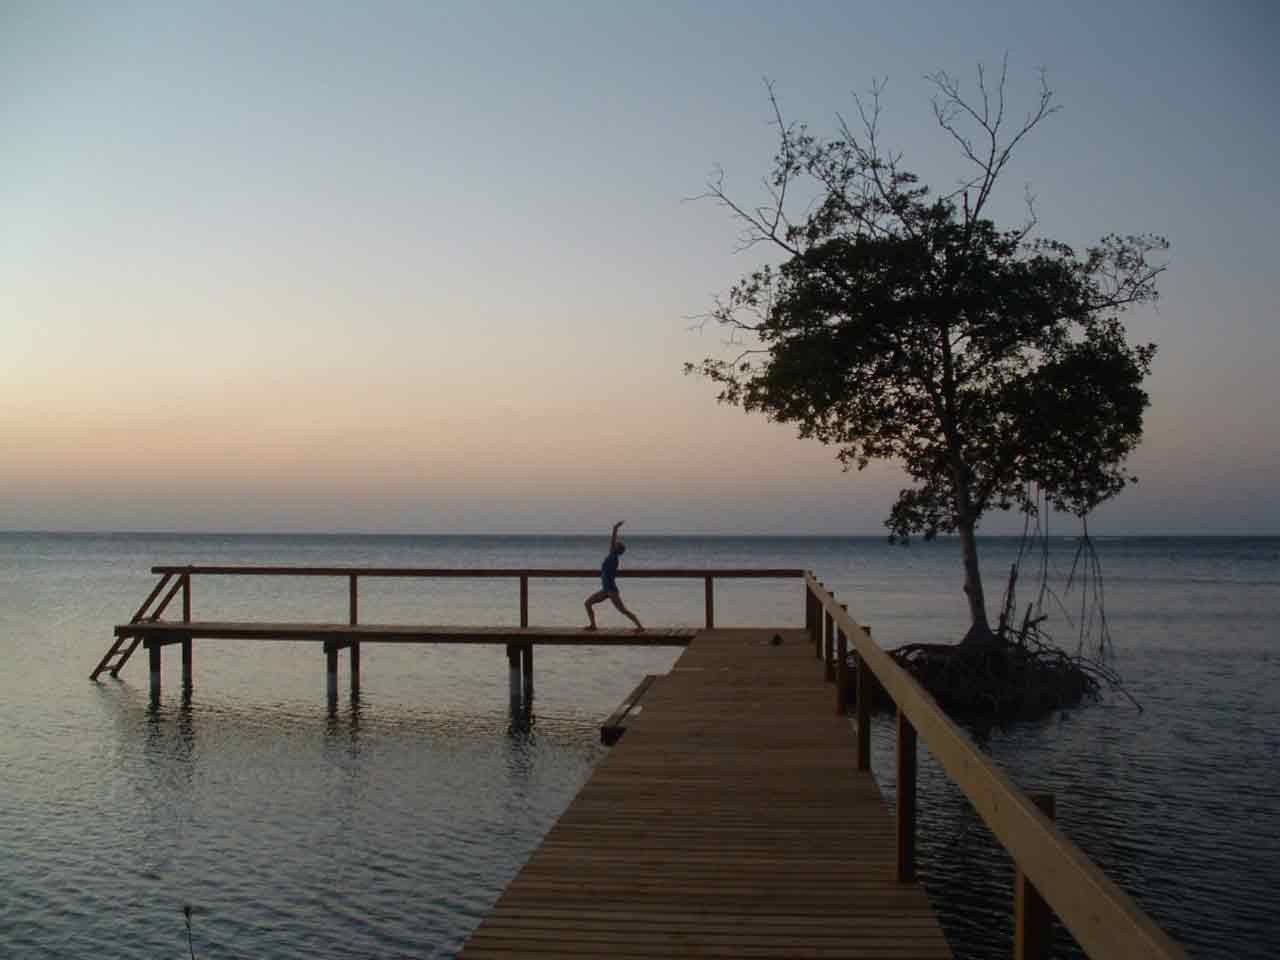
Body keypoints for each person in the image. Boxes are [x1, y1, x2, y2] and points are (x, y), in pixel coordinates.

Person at [584, 521, 644, 631]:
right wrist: (615, 528)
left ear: (618, 549)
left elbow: (613, 542)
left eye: (616, 545)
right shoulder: (612, 554)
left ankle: (640, 627)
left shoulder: (614, 558)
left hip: (611, 590)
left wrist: (615, 529)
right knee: (587, 603)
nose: (614, 544)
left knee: (623, 610)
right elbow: (613, 540)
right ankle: (593, 625)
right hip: (605, 589)